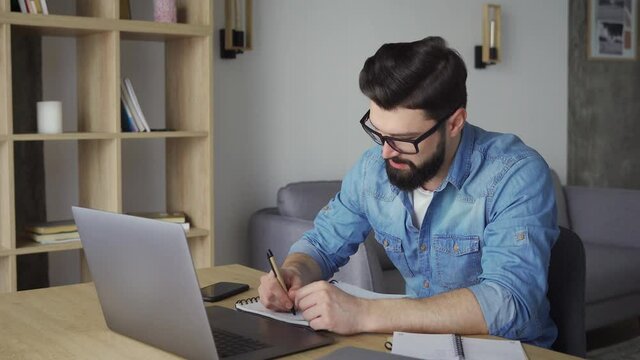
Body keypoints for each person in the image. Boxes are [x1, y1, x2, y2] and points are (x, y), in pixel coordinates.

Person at [258, 36, 558, 347]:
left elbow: (511, 301)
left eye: (404, 139)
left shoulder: (515, 174)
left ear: (454, 123)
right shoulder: (371, 171)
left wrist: (365, 313)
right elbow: (321, 244)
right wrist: (294, 271)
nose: (387, 153)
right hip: (414, 348)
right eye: (379, 133)